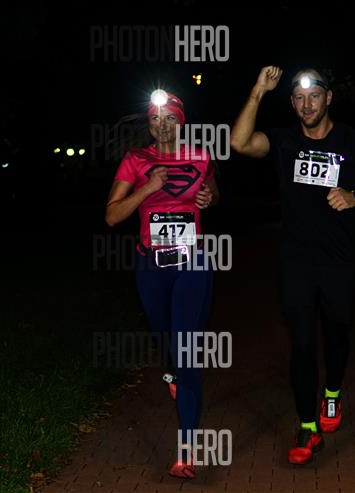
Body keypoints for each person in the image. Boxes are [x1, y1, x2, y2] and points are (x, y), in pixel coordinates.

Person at [230, 66, 355, 465]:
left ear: (329, 99)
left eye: (315, 96)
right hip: (297, 265)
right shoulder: (284, 141)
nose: (307, 105)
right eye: (299, 98)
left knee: (337, 336)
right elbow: (239, 142)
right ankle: (307, 428)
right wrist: (258, 90)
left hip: (339, 263)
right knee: (303, 343)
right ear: (292, 103)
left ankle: (332, 393)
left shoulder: (354, 142)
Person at [105, 89, 219, 478]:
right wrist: (148, 188)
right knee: (165, 339)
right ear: (149, 124)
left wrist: (207, 198)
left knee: (186, 352)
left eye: (170, 117)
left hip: (192, 263)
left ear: (181, 122)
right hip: (151, 266)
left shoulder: (201, 156)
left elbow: (214, 193)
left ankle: (186, 451)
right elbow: (111, 216)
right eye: (155, 118)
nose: (162, 125)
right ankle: (171, 367)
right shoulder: (135, 160)